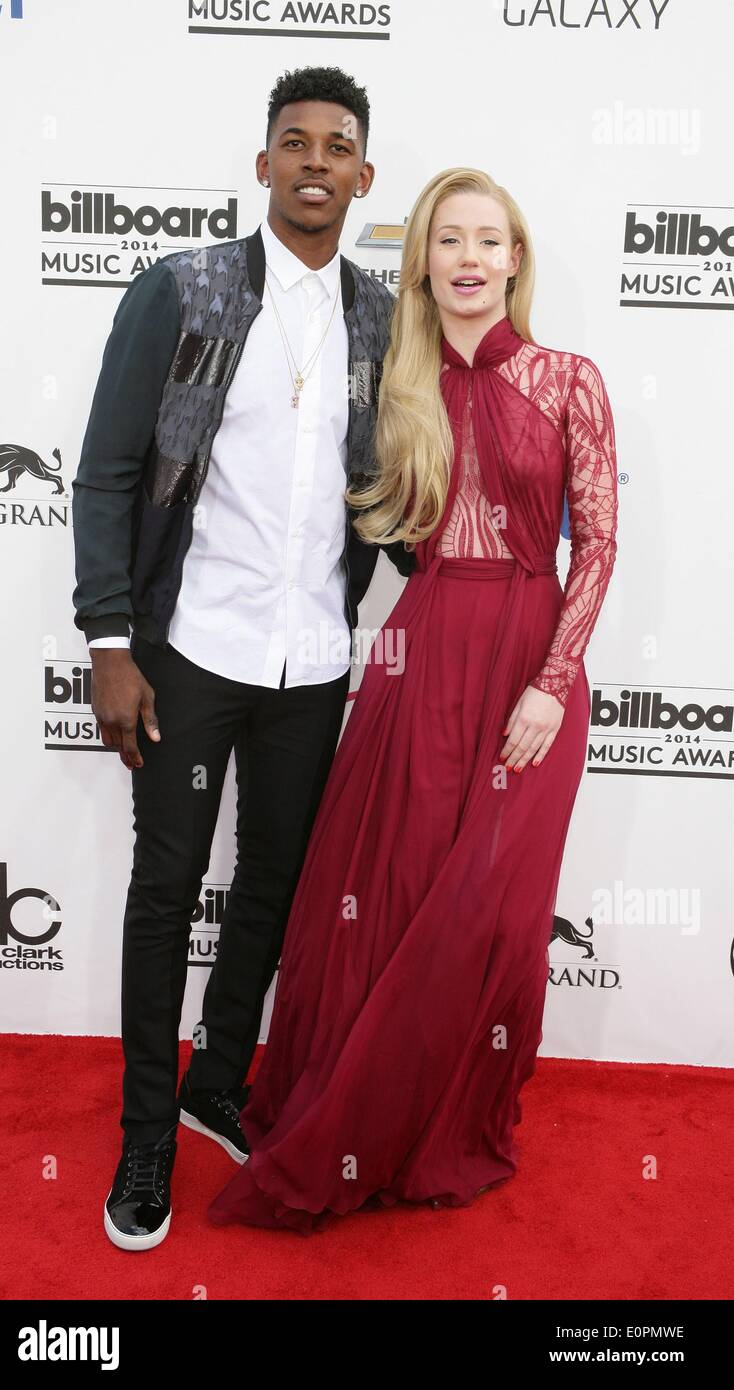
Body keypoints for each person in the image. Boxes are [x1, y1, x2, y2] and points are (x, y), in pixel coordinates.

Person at [207, 166, 619, 1234]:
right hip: (419, 654)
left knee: (485, 912)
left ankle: (444, 1119)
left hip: (531, 663)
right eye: (449, 241)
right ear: (425, 264)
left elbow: (599, 545)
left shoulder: (570, 378)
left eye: (490, 240)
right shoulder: (394, 387)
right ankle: (356, 1122)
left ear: (516, 259)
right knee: (383, 890)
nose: (470, 258)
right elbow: (359, 529)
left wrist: (549, 684)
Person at [71, 65, 414, 1251]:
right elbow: (109, 470)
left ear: (365, 177)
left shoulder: (380, 316)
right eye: (294, 142)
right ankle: (147, 1131)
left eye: (338, 147)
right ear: (263, 162)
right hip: (189, 649)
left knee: (269, 882)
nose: (316, 162)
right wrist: (110, 643)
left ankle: (221, 1076)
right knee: (165, 891)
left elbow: (387, 487)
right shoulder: (185, 290)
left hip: (312, 657)